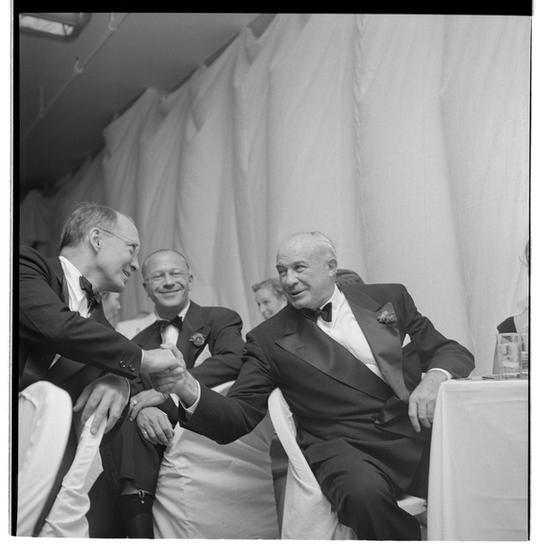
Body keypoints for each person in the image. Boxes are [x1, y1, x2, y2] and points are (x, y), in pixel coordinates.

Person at [156, 231, 475, 540]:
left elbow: (450, 350)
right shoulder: (268, 339)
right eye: (282, 271)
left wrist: (434, 378)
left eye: (299, 268)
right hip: (346, 447)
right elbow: (238, 416)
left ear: (331, 266)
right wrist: (187, 388)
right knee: (364, 497)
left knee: (477, 472)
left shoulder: (389, 297)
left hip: (416, 432)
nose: (289, 280)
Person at [18, 203, 181, 535]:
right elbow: (56, 327)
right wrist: (145, 358)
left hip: (41, 467)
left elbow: (113, 363)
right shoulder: (23, 264)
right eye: (132, 248)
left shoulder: (102, 326)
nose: (135, 264)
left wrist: (119, 380)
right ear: (96, 238)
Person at [94, 248, 245, 538]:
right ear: (146, 288)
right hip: (155, 426)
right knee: (119, 421)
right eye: (158, 276)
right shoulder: (137, 341)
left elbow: (234, 359)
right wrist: (145, 409)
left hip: (200, 410)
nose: (168, 282)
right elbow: (133, 387)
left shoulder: (220, 318)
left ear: (190, 279)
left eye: (175, 274)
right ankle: (139, 535)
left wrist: (169, 391)